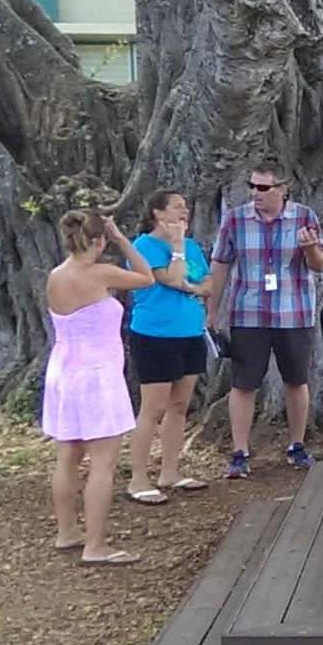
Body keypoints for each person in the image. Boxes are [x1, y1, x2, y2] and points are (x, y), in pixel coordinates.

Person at [42, 210, 155, 565]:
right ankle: (96, 545)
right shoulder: (99, 273)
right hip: (96, 375)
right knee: (103, 463)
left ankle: (67, 530)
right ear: (98, 240)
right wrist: (123, 240)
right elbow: (146, 277)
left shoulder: (56, 276)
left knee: (68, 456)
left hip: (63, 371)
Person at [207, 161, 323, 480]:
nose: (255, 193)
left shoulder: (304, 217)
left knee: (296, 380)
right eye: (252, 186)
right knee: (244, 383)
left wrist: (310, 249)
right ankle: (239, 452)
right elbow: (220, 264)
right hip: (249, 313)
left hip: (294, 312)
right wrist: (211, 310)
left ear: (283, 189)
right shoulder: (235, 220)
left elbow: (319, 265)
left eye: (262, 187)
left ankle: (297, 445)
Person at [125, 190, 211, 505]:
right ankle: (138, 479)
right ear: (158, 213)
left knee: (179, 405)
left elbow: (209, 283)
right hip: (155, 334)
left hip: (189, 331)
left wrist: (196, 286)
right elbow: (172, 279)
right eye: (177, 207)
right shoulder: (144, 247)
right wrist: (176, 247)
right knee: (153, 408)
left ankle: (170, 472)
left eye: (186, 206)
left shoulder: (192, 246)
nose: (184, 211)